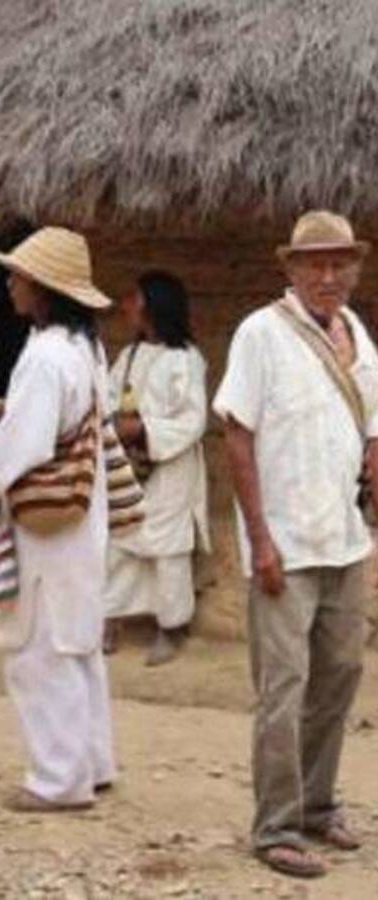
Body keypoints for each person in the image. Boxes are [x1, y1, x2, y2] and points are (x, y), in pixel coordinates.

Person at [214, 210, 378, 879]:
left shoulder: (357, 334)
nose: (329, 274)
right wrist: (259, 539)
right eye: (315, 263)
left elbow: (370, 422)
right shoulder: (261, 333)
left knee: (339, 677)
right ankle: (276, 827)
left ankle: (316, 805)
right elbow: (237, 436)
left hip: (343, 539)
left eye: (341, 262)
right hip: (284, 543)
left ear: (356, 268)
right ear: (290, 269)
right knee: (283, 688)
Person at [0, 227, 116, 812]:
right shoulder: (87, 350)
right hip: (82, 523)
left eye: (17, 276)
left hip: (48, 532)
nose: (9, 284)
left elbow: (22, 452)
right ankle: (92, 762)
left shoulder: (42, 357)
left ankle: (58, 781)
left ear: (42, 289)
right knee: (77, 642)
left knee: (40, 648)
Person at [102, 272, 210, 666]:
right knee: (118, 542)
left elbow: (192, 421)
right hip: (129, 468)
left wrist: (145, 430)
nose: (127, 304)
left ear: (153, 304)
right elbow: (109, 398)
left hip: (169, 470)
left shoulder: (186, 360)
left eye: (134, 297)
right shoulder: (127, 357)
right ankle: (110, 618)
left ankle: (171, 626)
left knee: (168, 550)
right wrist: (117, 423)